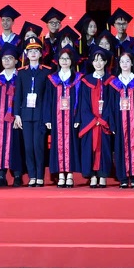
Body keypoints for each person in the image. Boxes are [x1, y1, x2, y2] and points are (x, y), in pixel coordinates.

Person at [14, 40, 51, 186]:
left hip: (40, 114)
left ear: (41, 54)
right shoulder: (22, 72)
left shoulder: (46, 71)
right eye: (30, 51)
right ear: (26, 54)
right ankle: (32, 176)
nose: (33, 53)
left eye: (36, 51)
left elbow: (48, 97)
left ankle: (40, 175)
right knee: (28, 146)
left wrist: (47, 117)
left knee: (38, 146)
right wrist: (17, 114)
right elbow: (18, 94)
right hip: (25, 114)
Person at [109, 51, 134, 189]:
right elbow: (110, 106)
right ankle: (123, 178)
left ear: (132, 63)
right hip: (119, 121)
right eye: (122, 61)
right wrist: (112, 124)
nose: (124, 64)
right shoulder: (114, 83)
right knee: (120, 147)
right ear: (118, 64)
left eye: (127, 61)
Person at [75, 49, 113, 187]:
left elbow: (111, 103)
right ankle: (92, 175)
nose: (98, 63)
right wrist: (93, 120)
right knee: (89, 148)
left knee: (104, 148)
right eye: (95, 60)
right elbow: (83, 103)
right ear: (92, 62)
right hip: (89, 123)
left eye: (101, 60)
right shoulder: (86, 81)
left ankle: (102, 175)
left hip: (104, 122)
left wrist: (103, 120)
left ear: (105, 62)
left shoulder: (111, 81)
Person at [46, 47, 81, 187]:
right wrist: (48, 118)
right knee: (58, 143)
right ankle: (61, 174)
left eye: (67, 58)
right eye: (62, 58)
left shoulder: (78, 78)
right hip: (57, 117)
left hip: (72, 117)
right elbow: (48, 100)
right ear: (58, 61)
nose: (64, 61)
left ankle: (70, 174)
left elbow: (81, 101)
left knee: (71, 143)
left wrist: (78, 117)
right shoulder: (52, 79)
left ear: (71, 61)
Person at [0, 44, 23, 186]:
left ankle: (18, 176)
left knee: (16, 146)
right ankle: (1, 176)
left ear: (16, 61)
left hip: (16, 119)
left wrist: (19, 116)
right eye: (4, 58)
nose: (7, 61)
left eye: (10, 58)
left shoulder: (21, 77)